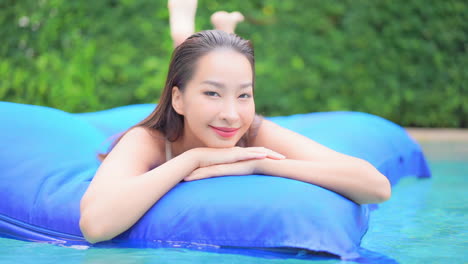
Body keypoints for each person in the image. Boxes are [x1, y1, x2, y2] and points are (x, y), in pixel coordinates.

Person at [79, 0, 391, 244]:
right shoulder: (148, 139)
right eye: (213, 94)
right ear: (178, 100)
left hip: (206, 109)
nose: (232, 114)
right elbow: (95, 226)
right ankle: (183, 27)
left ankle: (218, 32)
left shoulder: (253, 129)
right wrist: (194, 158)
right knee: (195, 61)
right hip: (175, 126)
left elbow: (376, 187)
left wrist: (259, 164)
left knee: (215, 65)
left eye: (245, 95)